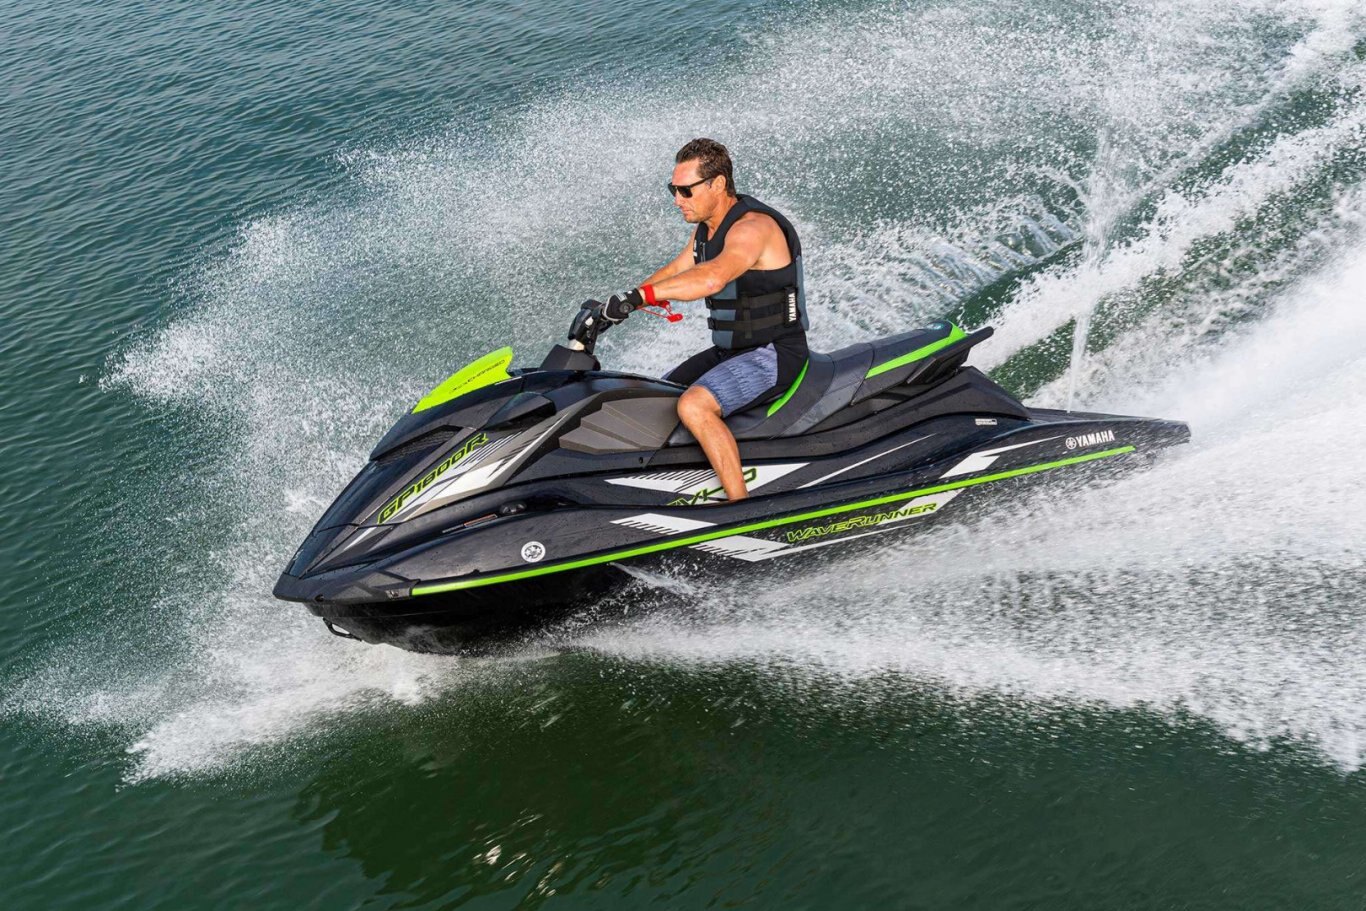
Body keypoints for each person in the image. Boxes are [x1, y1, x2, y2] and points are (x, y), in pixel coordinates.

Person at [592, 138, 808, 502]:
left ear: (718, 184)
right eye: (673, 190)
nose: (677, 200)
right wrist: (617, 307)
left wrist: (640, 297)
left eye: (685, 190)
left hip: (773, 352)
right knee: (653, 397)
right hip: (730, 352)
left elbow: (711, 278)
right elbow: (678, 269)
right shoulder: (707, 229)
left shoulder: (753, 228)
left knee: (693, 405)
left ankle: (741, 508)